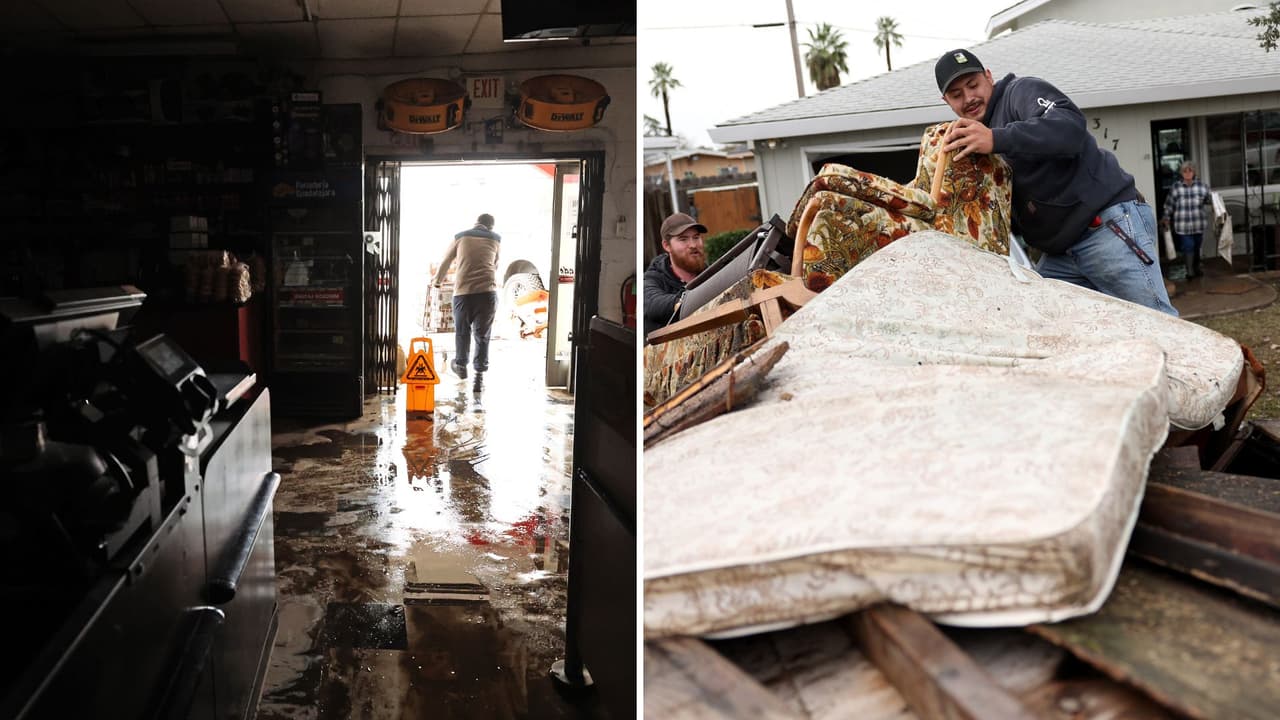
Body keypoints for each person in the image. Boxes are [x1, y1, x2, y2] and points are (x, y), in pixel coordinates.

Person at [934, 49, 1178, 316]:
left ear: (989, 77)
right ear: (946, 100)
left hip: (1105, 228)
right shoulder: (972, 141)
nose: (969, 98)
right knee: (1046, 326)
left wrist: (996, 138)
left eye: (973, 85)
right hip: (1060, 255)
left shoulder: (1020, 93)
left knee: (1157, 324)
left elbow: (1070, 127)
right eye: (957, 95)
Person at [434, 213, 500, 385]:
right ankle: (479, 375)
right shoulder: (495, 239)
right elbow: (495, 264)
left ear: (476, 223)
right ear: (491, 227)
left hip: (464, 293)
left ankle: (461, 365)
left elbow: (446, 260)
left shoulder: (461, 236)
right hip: (487, 293)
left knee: (463, 331)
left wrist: (437, 282)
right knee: (482, 334)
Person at [643, 212, 708, 340]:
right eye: (683, 239)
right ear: (667, 246)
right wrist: (683, 302)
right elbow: (652, 303)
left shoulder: (711, 274)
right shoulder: (652, 279)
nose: (693, 245)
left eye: (696, 237)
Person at [1161, 161, 1212, 279]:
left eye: (1190, 170)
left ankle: (1196, 267)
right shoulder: (1176, 187)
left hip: (1198, 223)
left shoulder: (1202, 186)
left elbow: (1209, 200)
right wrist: (1166, 218)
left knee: (1197, 246)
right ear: (1181, 173)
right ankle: (1190, 271)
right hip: (1182, 224)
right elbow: (1169, 205)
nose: (1188, 173)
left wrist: (1216, 202)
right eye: (1185, 171)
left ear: (1194, 172)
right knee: (1188, 246)